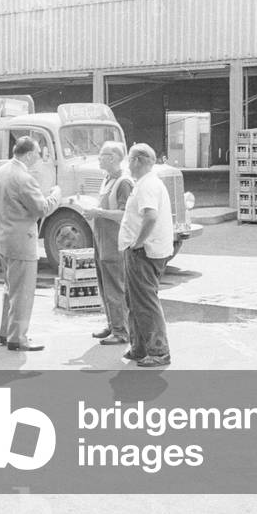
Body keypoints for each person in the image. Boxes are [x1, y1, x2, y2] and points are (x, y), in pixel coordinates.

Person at [0, 136, 61, 351]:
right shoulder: (24, 178)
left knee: (10, 288)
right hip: (21, 241)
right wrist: (56, 194)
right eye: (37, 154)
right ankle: (17, 337)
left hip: (2, 238)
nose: (38, 158)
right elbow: (42, 209)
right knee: (23, 292)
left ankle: (6, 331)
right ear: (29, 155)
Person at [118, 143, 174, 367]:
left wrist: (137, 242)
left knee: (145, 301)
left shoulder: (147, 185)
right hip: (143, 250)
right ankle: (140, 347)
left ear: (137, 161)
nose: (128, 164)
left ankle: (159, 350)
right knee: (135, 299)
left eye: (130, 159)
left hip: (144, 252)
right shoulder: (145, 183)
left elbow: (150, 216)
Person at [83, 141, 134, 345]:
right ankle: (113, 324)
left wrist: (99, 212)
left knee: (115, 286)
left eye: (102, 155)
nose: (99, 158)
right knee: (104, 284)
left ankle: (121, 331)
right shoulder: (107, 179)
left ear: (113, 158)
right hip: (102, 239)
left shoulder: (123, 183)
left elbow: (125, 214)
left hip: (114, 241)